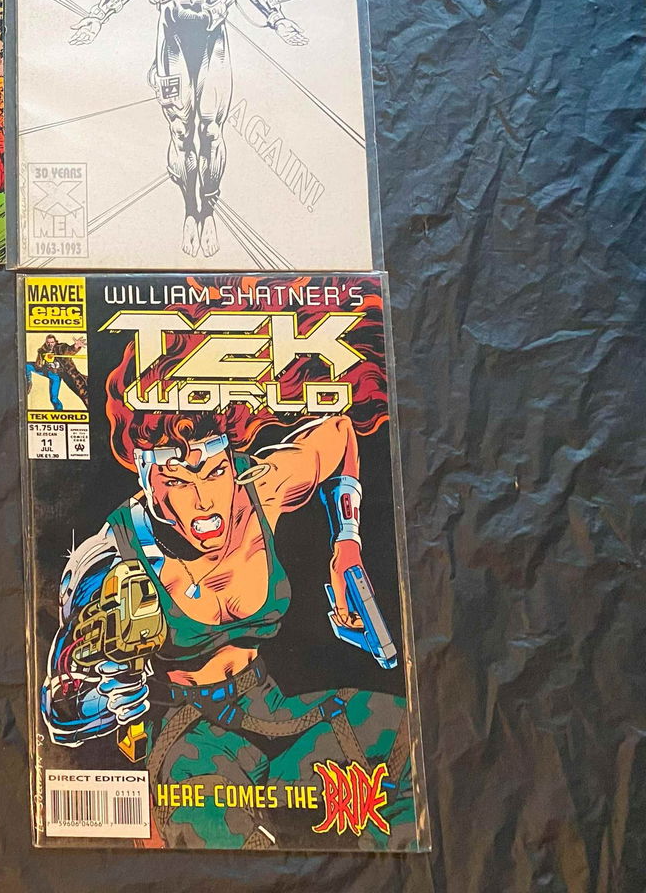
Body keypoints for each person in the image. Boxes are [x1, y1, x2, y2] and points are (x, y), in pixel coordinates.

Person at [42, 304, 413, 848]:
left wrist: (347, 545)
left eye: (215, 471)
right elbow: (59, 706)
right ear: (146, 474)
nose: (204, 501)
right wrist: (106, 700)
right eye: (177, 478)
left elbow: (338, 434)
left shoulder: (261, 488)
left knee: (405, 740)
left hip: (272, 709)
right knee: (234, 855)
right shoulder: (110, 556)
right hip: (188, 738)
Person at [69, 0, 307, 258]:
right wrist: (97, 17)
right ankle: (189, 210)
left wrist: (278, 18)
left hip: (213, 39)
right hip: (172, 40)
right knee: (181, 131)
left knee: (211, 130)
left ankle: (208, 209)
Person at [25, 334, 86, 410]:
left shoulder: (60, 348)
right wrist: (40, 360)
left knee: (53, 399)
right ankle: (28, 382)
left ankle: (59, 411)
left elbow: (69, 350)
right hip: (46, 370)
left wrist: (75, 346)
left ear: (55, 342)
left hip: (56, 375)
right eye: (48, 342)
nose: (50, 344)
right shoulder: (43, 350)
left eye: (52, 342)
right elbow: (38, 365)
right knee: (27, 366)